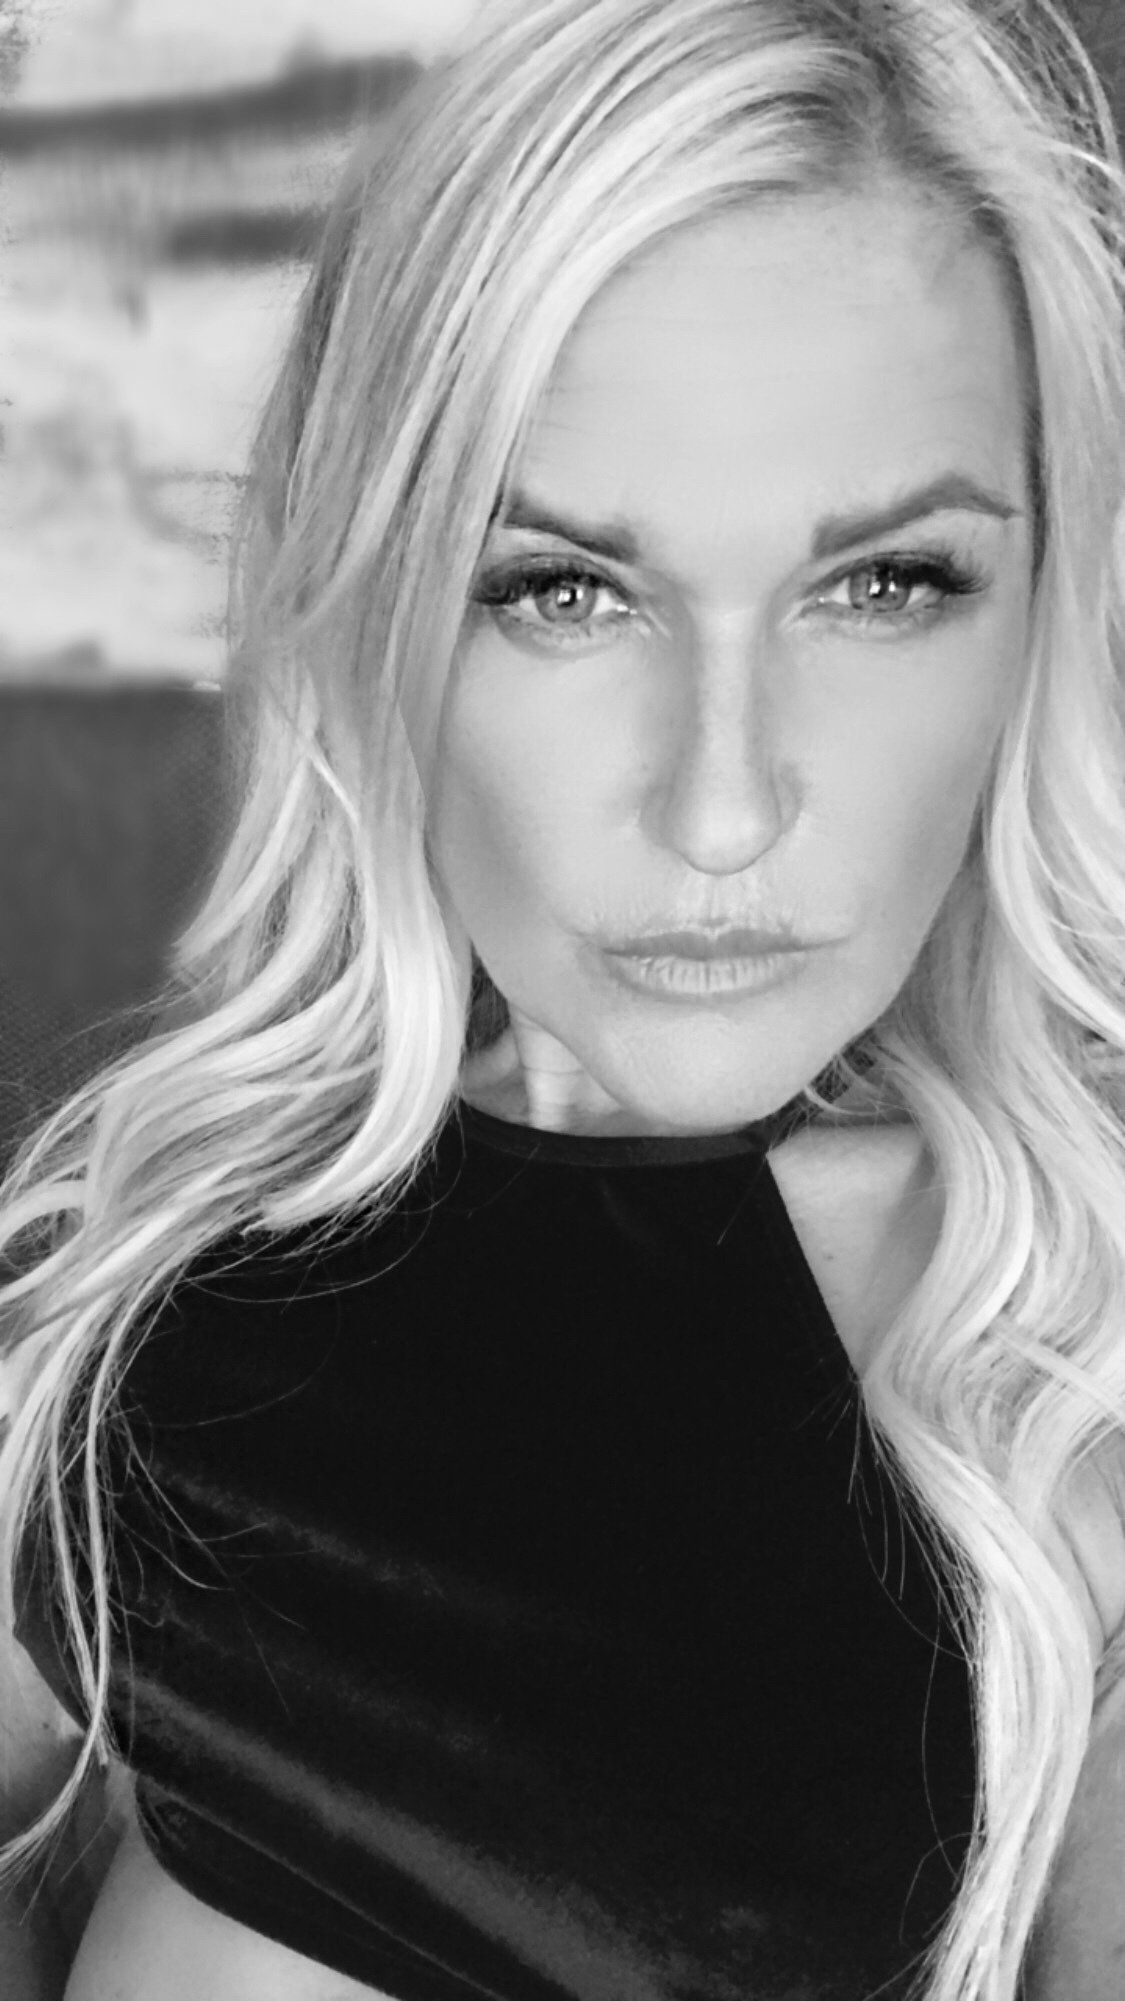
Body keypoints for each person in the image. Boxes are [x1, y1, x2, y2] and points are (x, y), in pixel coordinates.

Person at [2, 0, 1125, 1994]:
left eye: (883, 583)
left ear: (1048, 609)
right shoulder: (132, 1346)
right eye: (561, 588)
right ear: (377, 607)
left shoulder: (1066, 1398)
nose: (721, 802)